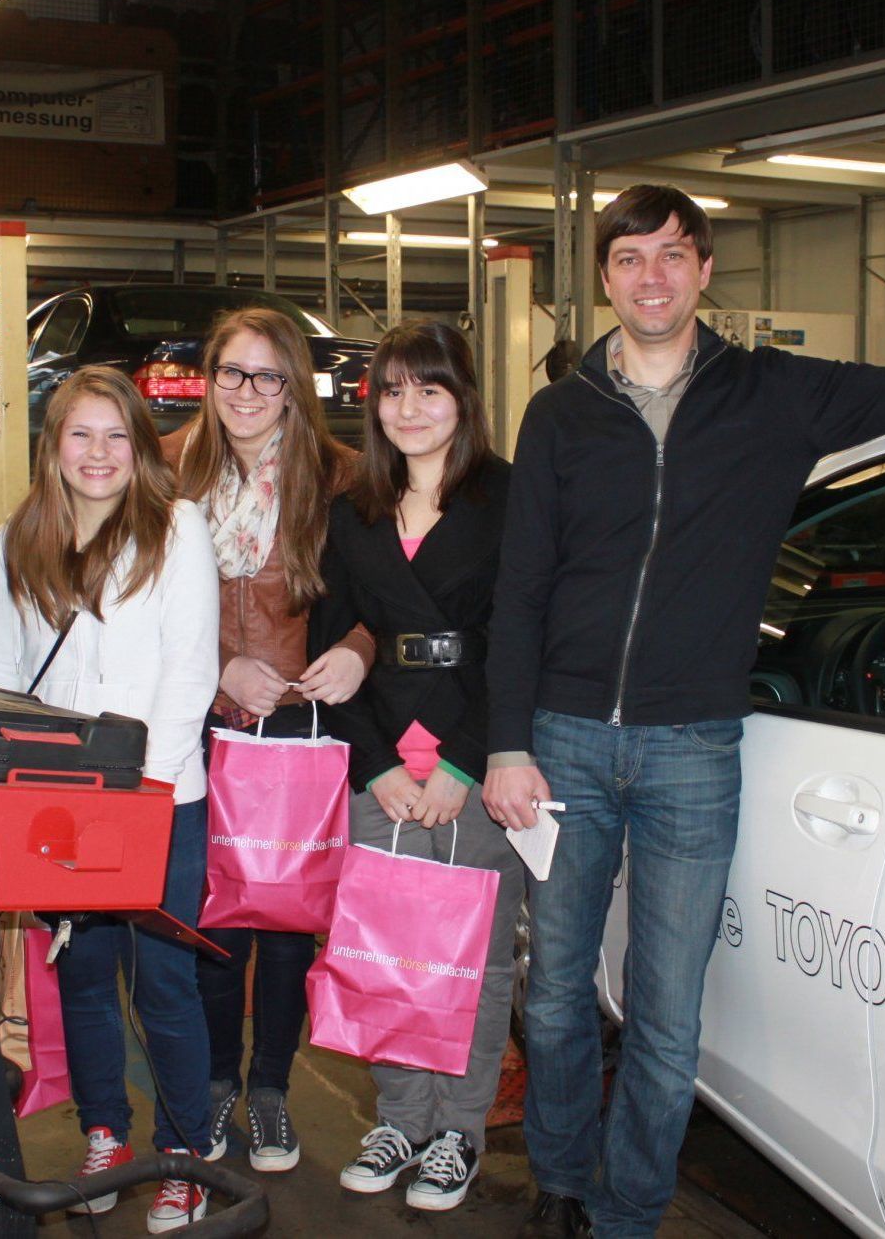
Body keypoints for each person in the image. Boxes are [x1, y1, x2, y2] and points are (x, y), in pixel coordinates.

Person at [482, 184, 885, 1238]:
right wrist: (508, 742)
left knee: (664, 1014)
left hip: (692, 748)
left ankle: (627, 1212)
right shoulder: (560, 413)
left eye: (670, 255)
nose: (649, 277)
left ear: (702, 271)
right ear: (601, 279)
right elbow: (519, 588)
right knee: (556, 993)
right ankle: (559, 1178)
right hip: (560, 746)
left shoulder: (770, 394)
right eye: (627, 260)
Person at [0, 366, 220, 1232]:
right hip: (61, 804)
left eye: (118, 434)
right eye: (82, 433)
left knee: (165, 982)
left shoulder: (178, 528)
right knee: (79, 976)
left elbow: (191, 670)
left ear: (142, 445)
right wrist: (10, 792)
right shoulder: (18, 538)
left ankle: (187, 1154)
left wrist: (146, 791)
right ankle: (106, 1134)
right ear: (54, 444)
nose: (100, 452)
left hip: (160, 797)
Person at [309, 321, 521, 1212]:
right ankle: (400, 1116)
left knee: (471, 957)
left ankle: (459, 1132)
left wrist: (462, 767)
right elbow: (331, 643)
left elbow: (522, 639)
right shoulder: (352, 508)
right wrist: (370, 767)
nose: (409, 408)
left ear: (463, 399)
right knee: (384, 944)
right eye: (391, 391)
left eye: (428, 389)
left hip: (472, 756)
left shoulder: (509, 498)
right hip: (383, 755)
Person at [160, 306, 373, 1172]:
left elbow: (383, 597)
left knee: (285, 916)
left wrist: (356, 651)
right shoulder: (167, 466)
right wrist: (220, 670)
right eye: (230, 373)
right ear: (208, 379)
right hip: (196, 717)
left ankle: (273, 1088)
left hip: (299, 722)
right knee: (215, 914)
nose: (246, 393)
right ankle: (213, 1081)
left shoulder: (344, 475)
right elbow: (136, 598)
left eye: (267, 376)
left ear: (294, 385)